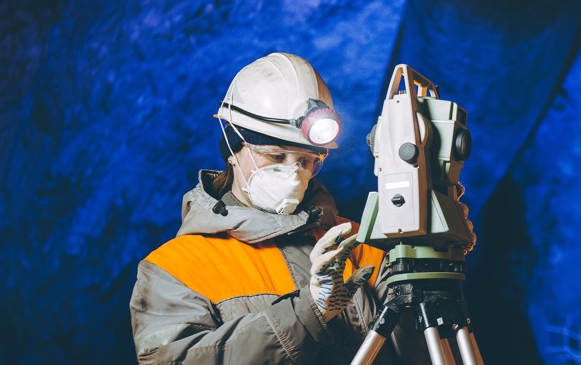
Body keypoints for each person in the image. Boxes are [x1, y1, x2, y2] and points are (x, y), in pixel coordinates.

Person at [129, 52, 471, 364]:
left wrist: (430, 245)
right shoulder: (173, 269)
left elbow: (419, 351)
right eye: (275, 156)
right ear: (233, 148)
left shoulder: (356, 242)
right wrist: (307, 312)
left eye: (308, 160)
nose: (294, 172)